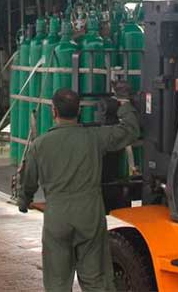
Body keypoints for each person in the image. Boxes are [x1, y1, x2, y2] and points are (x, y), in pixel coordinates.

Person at [17, 83, 139, 292]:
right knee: (95, 281)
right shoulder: (94, 138)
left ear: (53, 111)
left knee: (57, 283)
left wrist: (24, 200)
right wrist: (124, 103)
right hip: (89, 216)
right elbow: (130, 130)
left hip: (57, 218)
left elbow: (28, 181)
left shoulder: (40, 145)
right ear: (79, 111)